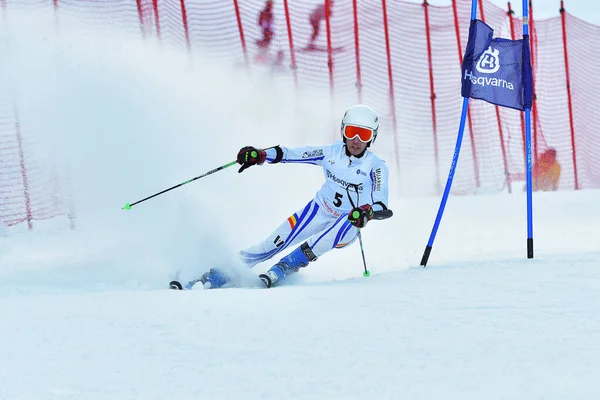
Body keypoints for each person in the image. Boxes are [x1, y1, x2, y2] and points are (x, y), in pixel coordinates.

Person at [196, 104, 391, 289]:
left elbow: (382, 206)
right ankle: (221, 273)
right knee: (272, 244)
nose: (356, 140)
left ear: (372, 137)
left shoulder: (376, 166)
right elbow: (291, 154)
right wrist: (261, 155)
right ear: (342, 131)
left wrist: (367, 212)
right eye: (351, 132)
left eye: (363, 134)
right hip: (319, 209)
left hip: (348, 224)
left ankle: (287, 265)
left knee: (348, 220)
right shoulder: (330, 153)